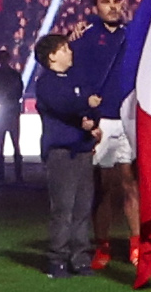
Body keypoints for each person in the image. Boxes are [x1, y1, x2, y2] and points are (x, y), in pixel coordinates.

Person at [27, 27, 102, 275]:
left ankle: (80, 257)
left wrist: (92, 124)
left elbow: (87, 110)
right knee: (64, 208)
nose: (70, 53)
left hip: (81, 150)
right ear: (51, 57)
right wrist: (85, 106)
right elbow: (63, 105)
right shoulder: (46, 83)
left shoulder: (74, 79)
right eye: (65, 49)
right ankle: (57, 258)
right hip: (61, 152)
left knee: (82, 207)